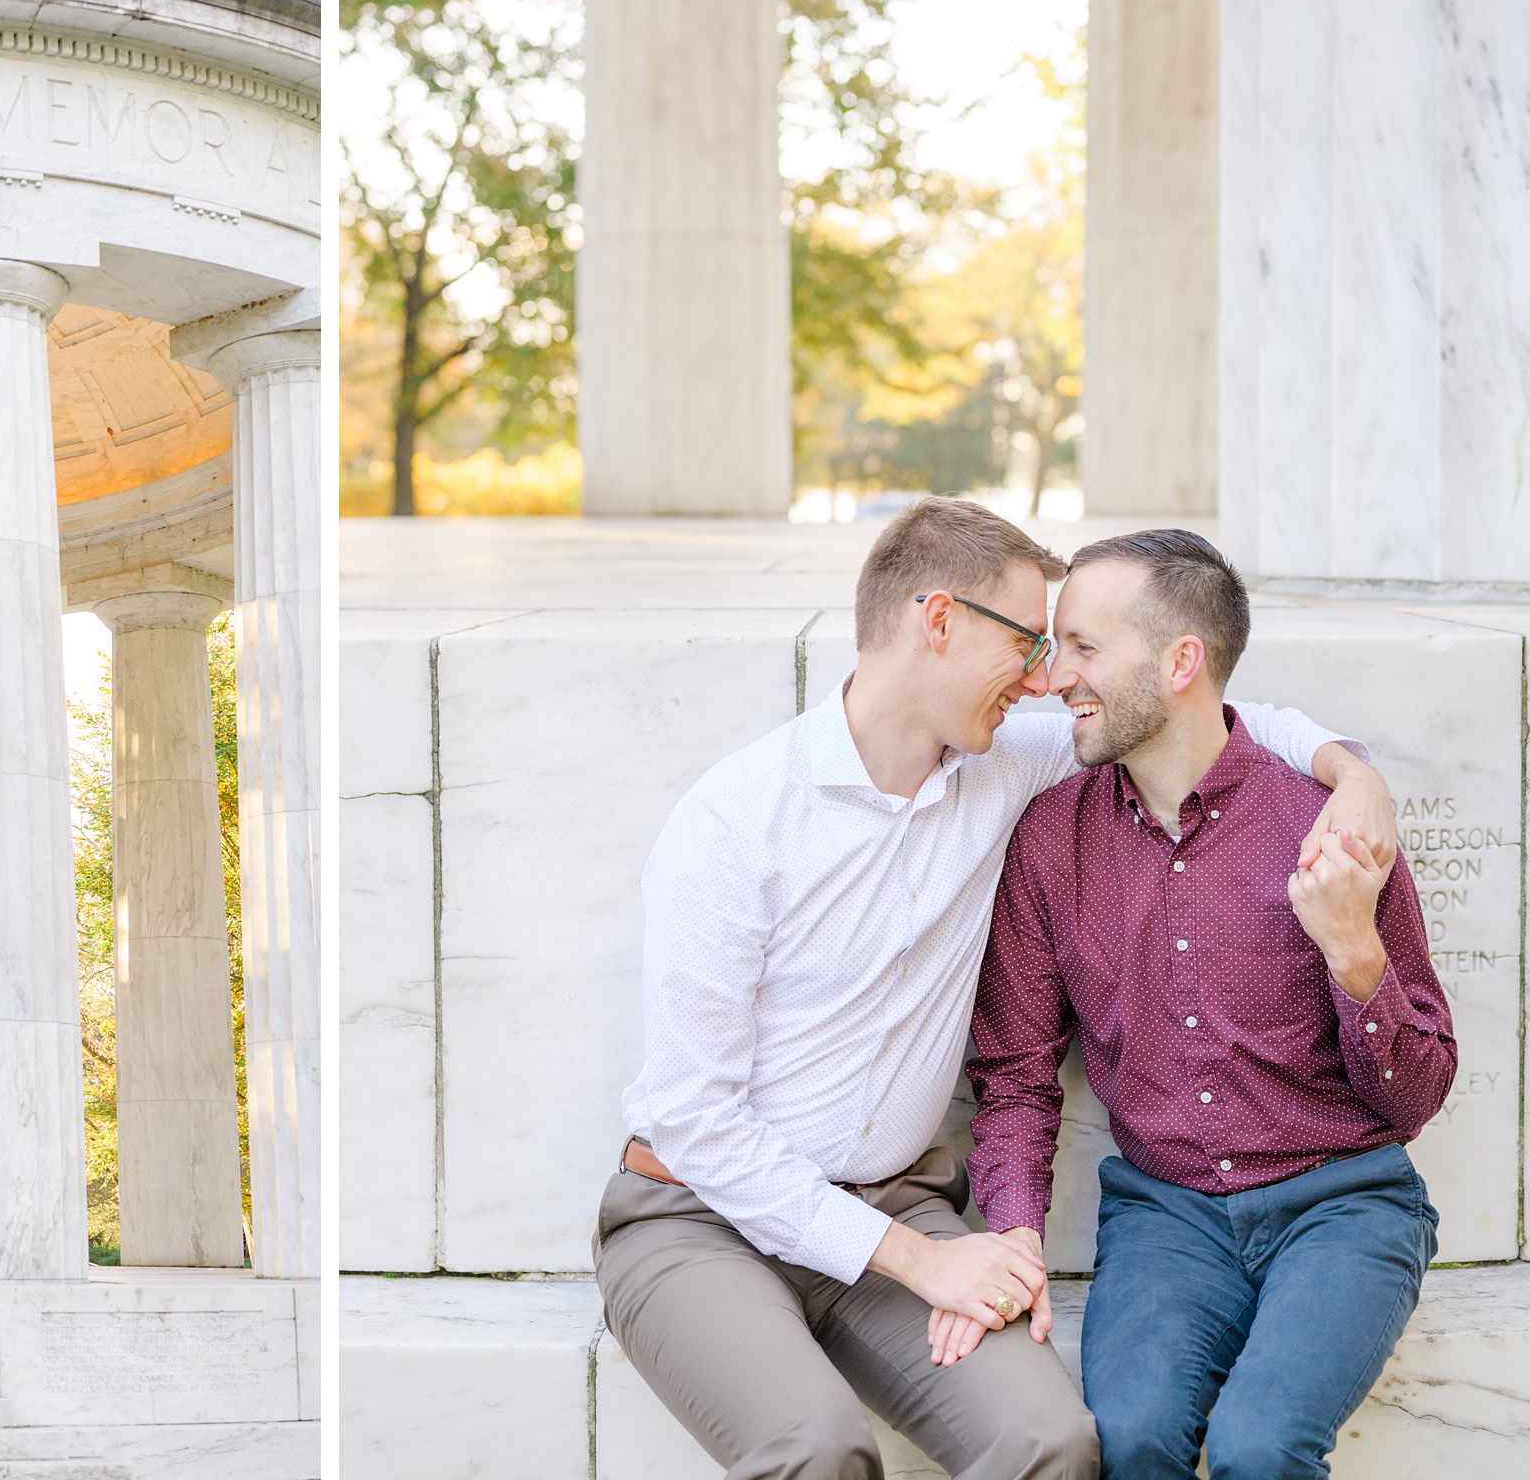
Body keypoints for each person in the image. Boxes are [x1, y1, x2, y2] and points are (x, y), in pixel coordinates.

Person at [594, 496, 1397, 1480]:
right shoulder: (733, 824)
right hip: (698, 1219)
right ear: (937, 621)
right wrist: (923, 1259)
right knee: (815, 1445)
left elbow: (1211, 718)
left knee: (1050, 1441)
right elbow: (693, 1119)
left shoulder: (1007, 761)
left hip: (894, 1205)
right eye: (1025, 642)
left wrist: (1354, 778)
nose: (1042, 680)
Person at [964, 530, 1454, 1479]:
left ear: (1182, 661)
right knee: (1132, 1438)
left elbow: (1419, 1097)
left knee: (1260, 1451)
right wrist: (1014, 1233)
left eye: (1084, 648)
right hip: (1166, 1214)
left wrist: (1357, 955)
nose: (1053, 676)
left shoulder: (1328, 827)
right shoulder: (1050, 840)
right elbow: (1018, 1077)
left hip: (1343, 1205)